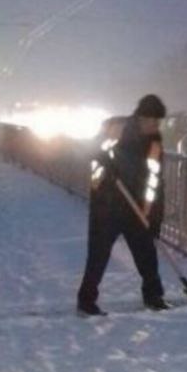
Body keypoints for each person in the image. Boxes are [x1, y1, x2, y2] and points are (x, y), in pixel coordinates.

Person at [76, 93, 167, 316]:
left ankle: (153, 296)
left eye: (158, 122)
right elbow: (88, 151)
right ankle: (86, 301)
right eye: (152, 121)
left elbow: (155, 181)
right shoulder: (115, 130)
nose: (155, 126)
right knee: (98, 255)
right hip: (106, 207)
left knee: (146, 252)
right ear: (140, 118)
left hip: (136, 209)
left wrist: (154, 217)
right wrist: (103, 161)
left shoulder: (154, 144)